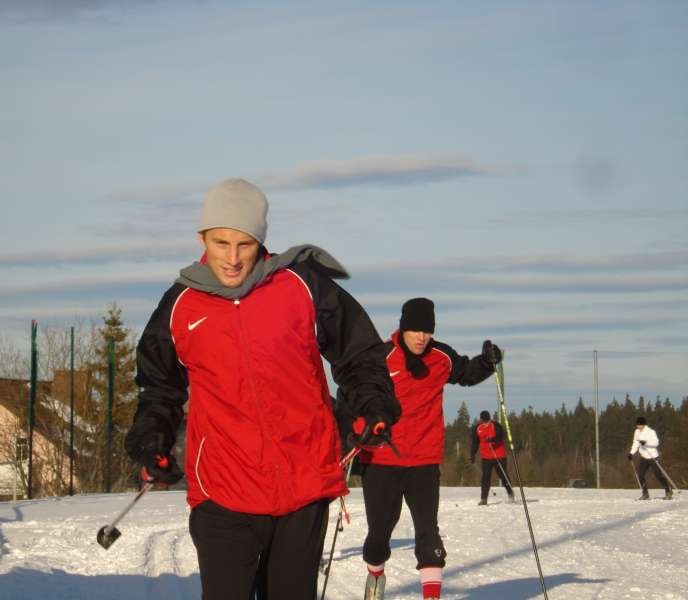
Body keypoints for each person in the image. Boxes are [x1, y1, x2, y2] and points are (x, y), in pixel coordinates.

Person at [124, 178, 399, 600]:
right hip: (223, 491)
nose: (232, 259)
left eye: (245, 245)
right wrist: (152, 440)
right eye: (221, 243)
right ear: (202, 238)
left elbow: (358, 353)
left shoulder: (302, 286)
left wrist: (373, 404)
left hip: (302, 486)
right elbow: (159, 388)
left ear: (261, 241)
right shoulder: (181, 306)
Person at [343, 297, 501, 600]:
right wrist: (357, 428)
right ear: (403, 328)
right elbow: (352, 396)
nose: (421, 337)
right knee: (379, 536)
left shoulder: (441, 356)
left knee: (428, 534)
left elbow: (465, 373)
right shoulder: (380, 358)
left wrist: (487, 362)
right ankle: (375, 574)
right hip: (382, 460)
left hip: (424, 461)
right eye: (415, 330)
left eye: (426, 331)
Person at [470, 410, 514, 505]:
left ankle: (510, 493)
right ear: (481, 420)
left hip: (499, 455)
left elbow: (500, 436)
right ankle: (484, 499)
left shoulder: (495, 425)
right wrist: (472, 454)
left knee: (502, 475)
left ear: (489, 419)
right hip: (486, 457)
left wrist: (492, 439)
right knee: (485, 477)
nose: (485, 423)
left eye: (487, 421)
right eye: (484, 421)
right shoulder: (477, 428)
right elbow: (475, 443)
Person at [628, 416, 673, 500]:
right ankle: (645, 493)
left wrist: (646, 443)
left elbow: (656, 443)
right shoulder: (637, 432)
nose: (639, 427)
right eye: (637, 425)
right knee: (640, 474)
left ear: (644, 425)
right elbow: (636, 443)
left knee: (658, 474)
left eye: (640, 425)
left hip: (653, 456)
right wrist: (631, 453)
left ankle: (668, 490)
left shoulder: (651, 432)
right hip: (644, 457)